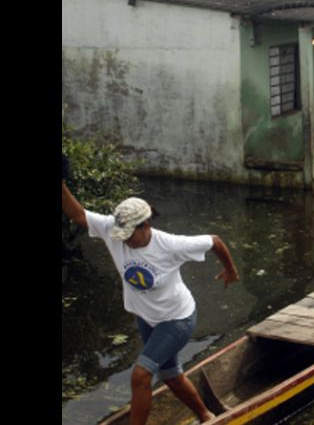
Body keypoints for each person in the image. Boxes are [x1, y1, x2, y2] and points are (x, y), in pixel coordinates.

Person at [61, 155, 239, 425]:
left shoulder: (170, 244)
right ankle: (206, 415)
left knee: (140, 375)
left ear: (146, 225)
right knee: (170, 375)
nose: (125, 242)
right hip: (146, 318)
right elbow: (77, 214)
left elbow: (215, 241)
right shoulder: (113, 229)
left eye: (130, 236)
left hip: (176, 319)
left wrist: (231, 270)